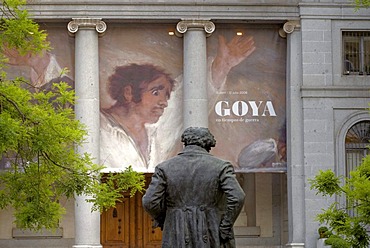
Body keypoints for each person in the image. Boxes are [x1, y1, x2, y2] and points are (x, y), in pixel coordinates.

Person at [142, 127, 245, 248]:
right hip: (211, 228)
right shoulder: (221, 167)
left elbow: (149, 201)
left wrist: (166, 218)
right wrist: (225, 226)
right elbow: (238, 197)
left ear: (185, 143)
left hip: (176, 231)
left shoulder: (164, 168)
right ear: (208, 145)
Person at [100, 63, 176, 172]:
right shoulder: (99, 126)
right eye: (155, 93)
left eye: (166, 96)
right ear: (129, 92)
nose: (164, 103)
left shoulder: (154, 136)